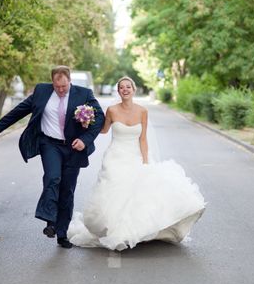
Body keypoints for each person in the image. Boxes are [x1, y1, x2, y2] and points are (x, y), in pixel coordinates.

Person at [68, 76, 205, 251]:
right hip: (115, 157)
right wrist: (86, 121)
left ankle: (134, 231)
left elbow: (142, 139)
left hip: (134, 156)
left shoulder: (142, 111)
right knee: (115, 192)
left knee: (136, 193)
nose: (125, 90)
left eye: (128, 87)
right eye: (121, 87)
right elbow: (103, 131)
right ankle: (114, 229)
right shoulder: (111, 110)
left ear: (133, 90)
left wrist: (145, 161)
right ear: (118, 91)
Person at [0, 66, 104, 249]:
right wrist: (0, 126)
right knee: (52, 178)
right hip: (49, 144)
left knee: (67, 190)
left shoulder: (83, 94)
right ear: (52, 82)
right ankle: (50, 221)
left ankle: (62, 233)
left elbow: (99, 117)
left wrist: (84, 140)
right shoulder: (42, 91)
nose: (60, 90)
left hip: (73, 147)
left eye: (64, 87)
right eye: (57, 86)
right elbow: (22, 109)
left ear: (70, 81)